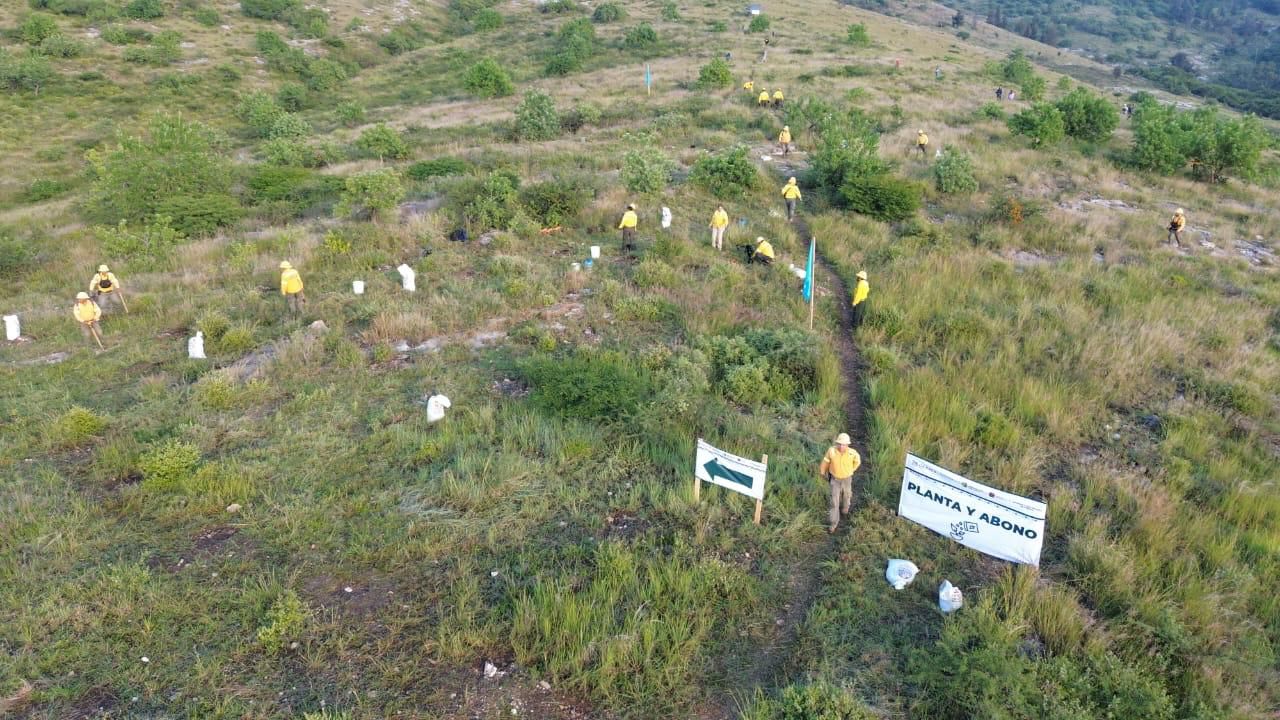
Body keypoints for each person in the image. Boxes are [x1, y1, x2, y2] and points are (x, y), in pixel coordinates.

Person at [818, 432, 861, 533]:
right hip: (835, 480)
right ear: (837, 443)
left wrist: (852, 470)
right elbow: (825, 462)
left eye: (844, 444)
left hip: (847, 479)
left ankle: (846, 507)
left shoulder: (852, 453)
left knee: (847, 495)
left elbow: (857, 462)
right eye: (840, 444)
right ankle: (833, 523)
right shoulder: (831, 451)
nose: (841, 446)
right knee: (834, 501)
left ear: (847, 445)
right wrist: (822, 472)